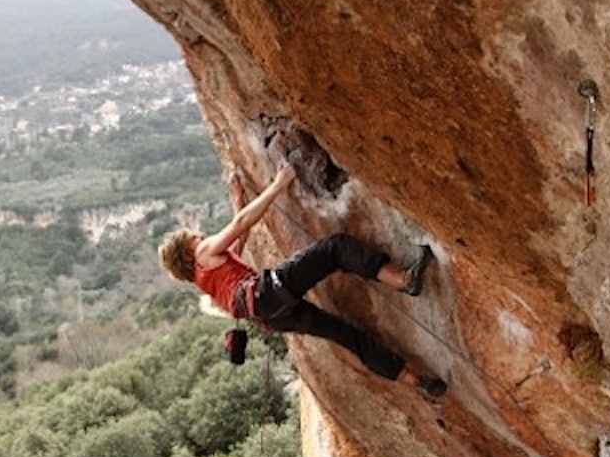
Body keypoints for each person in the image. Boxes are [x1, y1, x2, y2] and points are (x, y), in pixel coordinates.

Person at [158, 162, 446, 397]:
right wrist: (279, 184)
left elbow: (239, 235)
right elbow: (241, 224)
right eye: (194, 236)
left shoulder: (205, 277)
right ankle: (403, 280)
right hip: (265, 293)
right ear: (187, 248)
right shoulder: (204, 252)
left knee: (347, 335)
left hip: (273, 317)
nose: (201, 235)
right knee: (335, 248)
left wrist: (237, 194)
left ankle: (417, 381)